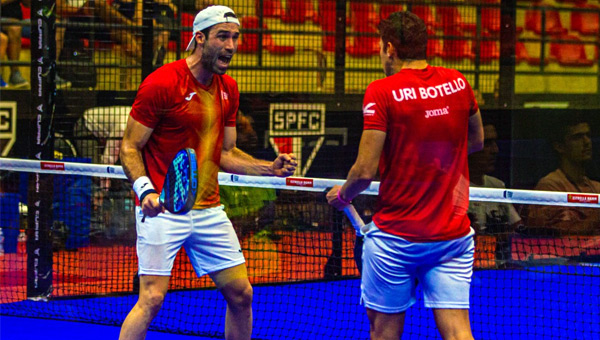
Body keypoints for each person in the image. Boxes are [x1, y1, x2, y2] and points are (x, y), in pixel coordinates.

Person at [118, 5, 297, 340]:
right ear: (199, 38)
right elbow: (129, 146)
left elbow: (226, 153)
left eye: (236, 37)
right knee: (152, 298)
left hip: (209, 210)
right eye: (223, 36)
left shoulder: (228, 88)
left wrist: (268, 168)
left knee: (242, 294)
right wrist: (146, 192)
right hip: (163, 209)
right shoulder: (162, 82)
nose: (231, 45)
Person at [326, 11, 484, 340]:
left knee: (384, 332)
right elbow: (477, 141)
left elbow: (365, 171)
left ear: (389, 48)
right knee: (458, 332)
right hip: (452, 238)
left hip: (396, 239)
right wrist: (438, 163)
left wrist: (342, 196)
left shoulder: (382, 91)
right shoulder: (459, 82)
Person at [527, 114, 600, 236]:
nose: (587, 142)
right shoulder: (549, 186)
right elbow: (555, 236)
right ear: (559, 146)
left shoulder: (597, 188)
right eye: (577, 137)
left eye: (588, 135)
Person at [468, 121, 522, 266]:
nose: (495, 150)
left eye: (495, 142)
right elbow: (473, 241)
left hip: (503, 267)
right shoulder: (452, 190)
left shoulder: (497, 186)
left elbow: (517, 227)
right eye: (487, 143)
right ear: (468, 146)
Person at [1, 0, 29, 88]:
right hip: (3, 21)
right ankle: (15, 73)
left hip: (19, 21)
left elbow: (28, 5)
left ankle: (50, 72)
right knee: (15, 28)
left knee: (46, 25)